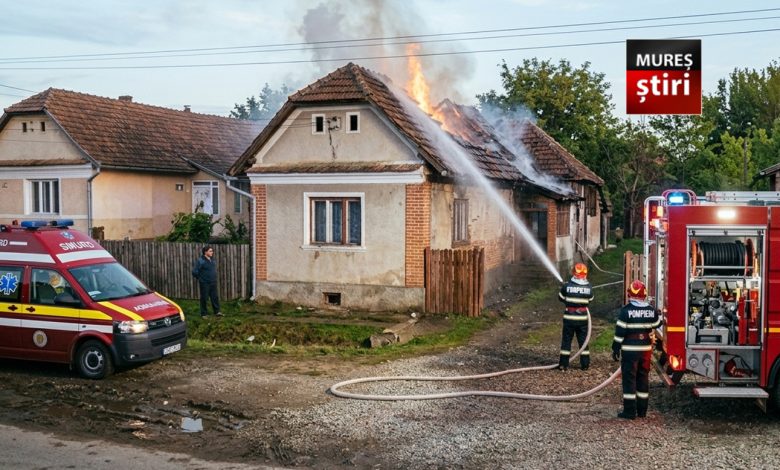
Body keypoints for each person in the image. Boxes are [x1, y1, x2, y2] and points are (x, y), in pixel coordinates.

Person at [612, 280, 661, 420]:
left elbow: (619, 333)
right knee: (643, 378)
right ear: (644, 294)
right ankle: (642, 411)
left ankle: (629, 412)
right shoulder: (650, 310)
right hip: (645, 350)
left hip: (629, 350)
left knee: (629, 380)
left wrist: (615, 348)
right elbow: (657, 324)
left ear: (629, 294)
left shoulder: (626, 311)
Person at [557, 262, 593, 371]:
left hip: (569, 318)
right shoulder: (589, 287)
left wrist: (568, 293)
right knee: (583, 341)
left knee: (566, 341)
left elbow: (560, 298)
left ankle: (563, 364)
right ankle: (585, 365)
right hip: (582, 319)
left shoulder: (567, 286)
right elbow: (590, 300)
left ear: (574, 273)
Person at [192, 246, 222, 318]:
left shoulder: (212, 260)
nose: (212, 252)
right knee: (204, 298)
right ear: (205, 252)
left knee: (215, 297)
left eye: (212, 251)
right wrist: (201, 279)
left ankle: (217, 312)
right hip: (205, 283)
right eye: (210, 251)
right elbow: (194, 272)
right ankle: (204, 314)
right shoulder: (201, 260)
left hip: (213, 282)